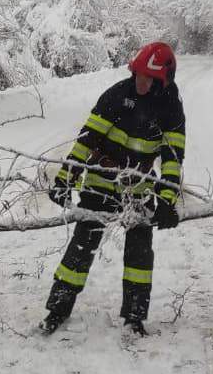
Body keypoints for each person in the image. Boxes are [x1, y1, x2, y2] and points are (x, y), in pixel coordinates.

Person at [42, 41, 186, 336]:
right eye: (138, 75)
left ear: (163, 81)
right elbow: (86, 140)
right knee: (82, 244)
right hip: (101, 182)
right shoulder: (117, 95)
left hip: (139, 188)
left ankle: (134, 317)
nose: (140, 83)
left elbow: (173, 158)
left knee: (140, 253)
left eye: (148, 78)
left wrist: (167, 200)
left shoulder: (171, 107)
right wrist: (66, 179)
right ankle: (58, 308)